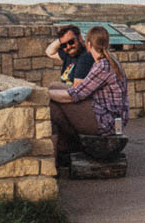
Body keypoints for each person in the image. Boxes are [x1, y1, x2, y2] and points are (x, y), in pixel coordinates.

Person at [47, 25, 130, 165]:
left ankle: (56, 159)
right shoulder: (110, 60)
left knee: (52, 107)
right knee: (53, 87)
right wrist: (50, 91)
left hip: (107, 121)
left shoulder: (102, 66)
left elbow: (75, 94)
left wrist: (43, 95)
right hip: (108, 115)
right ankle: (65, 148)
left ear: (89, 44)